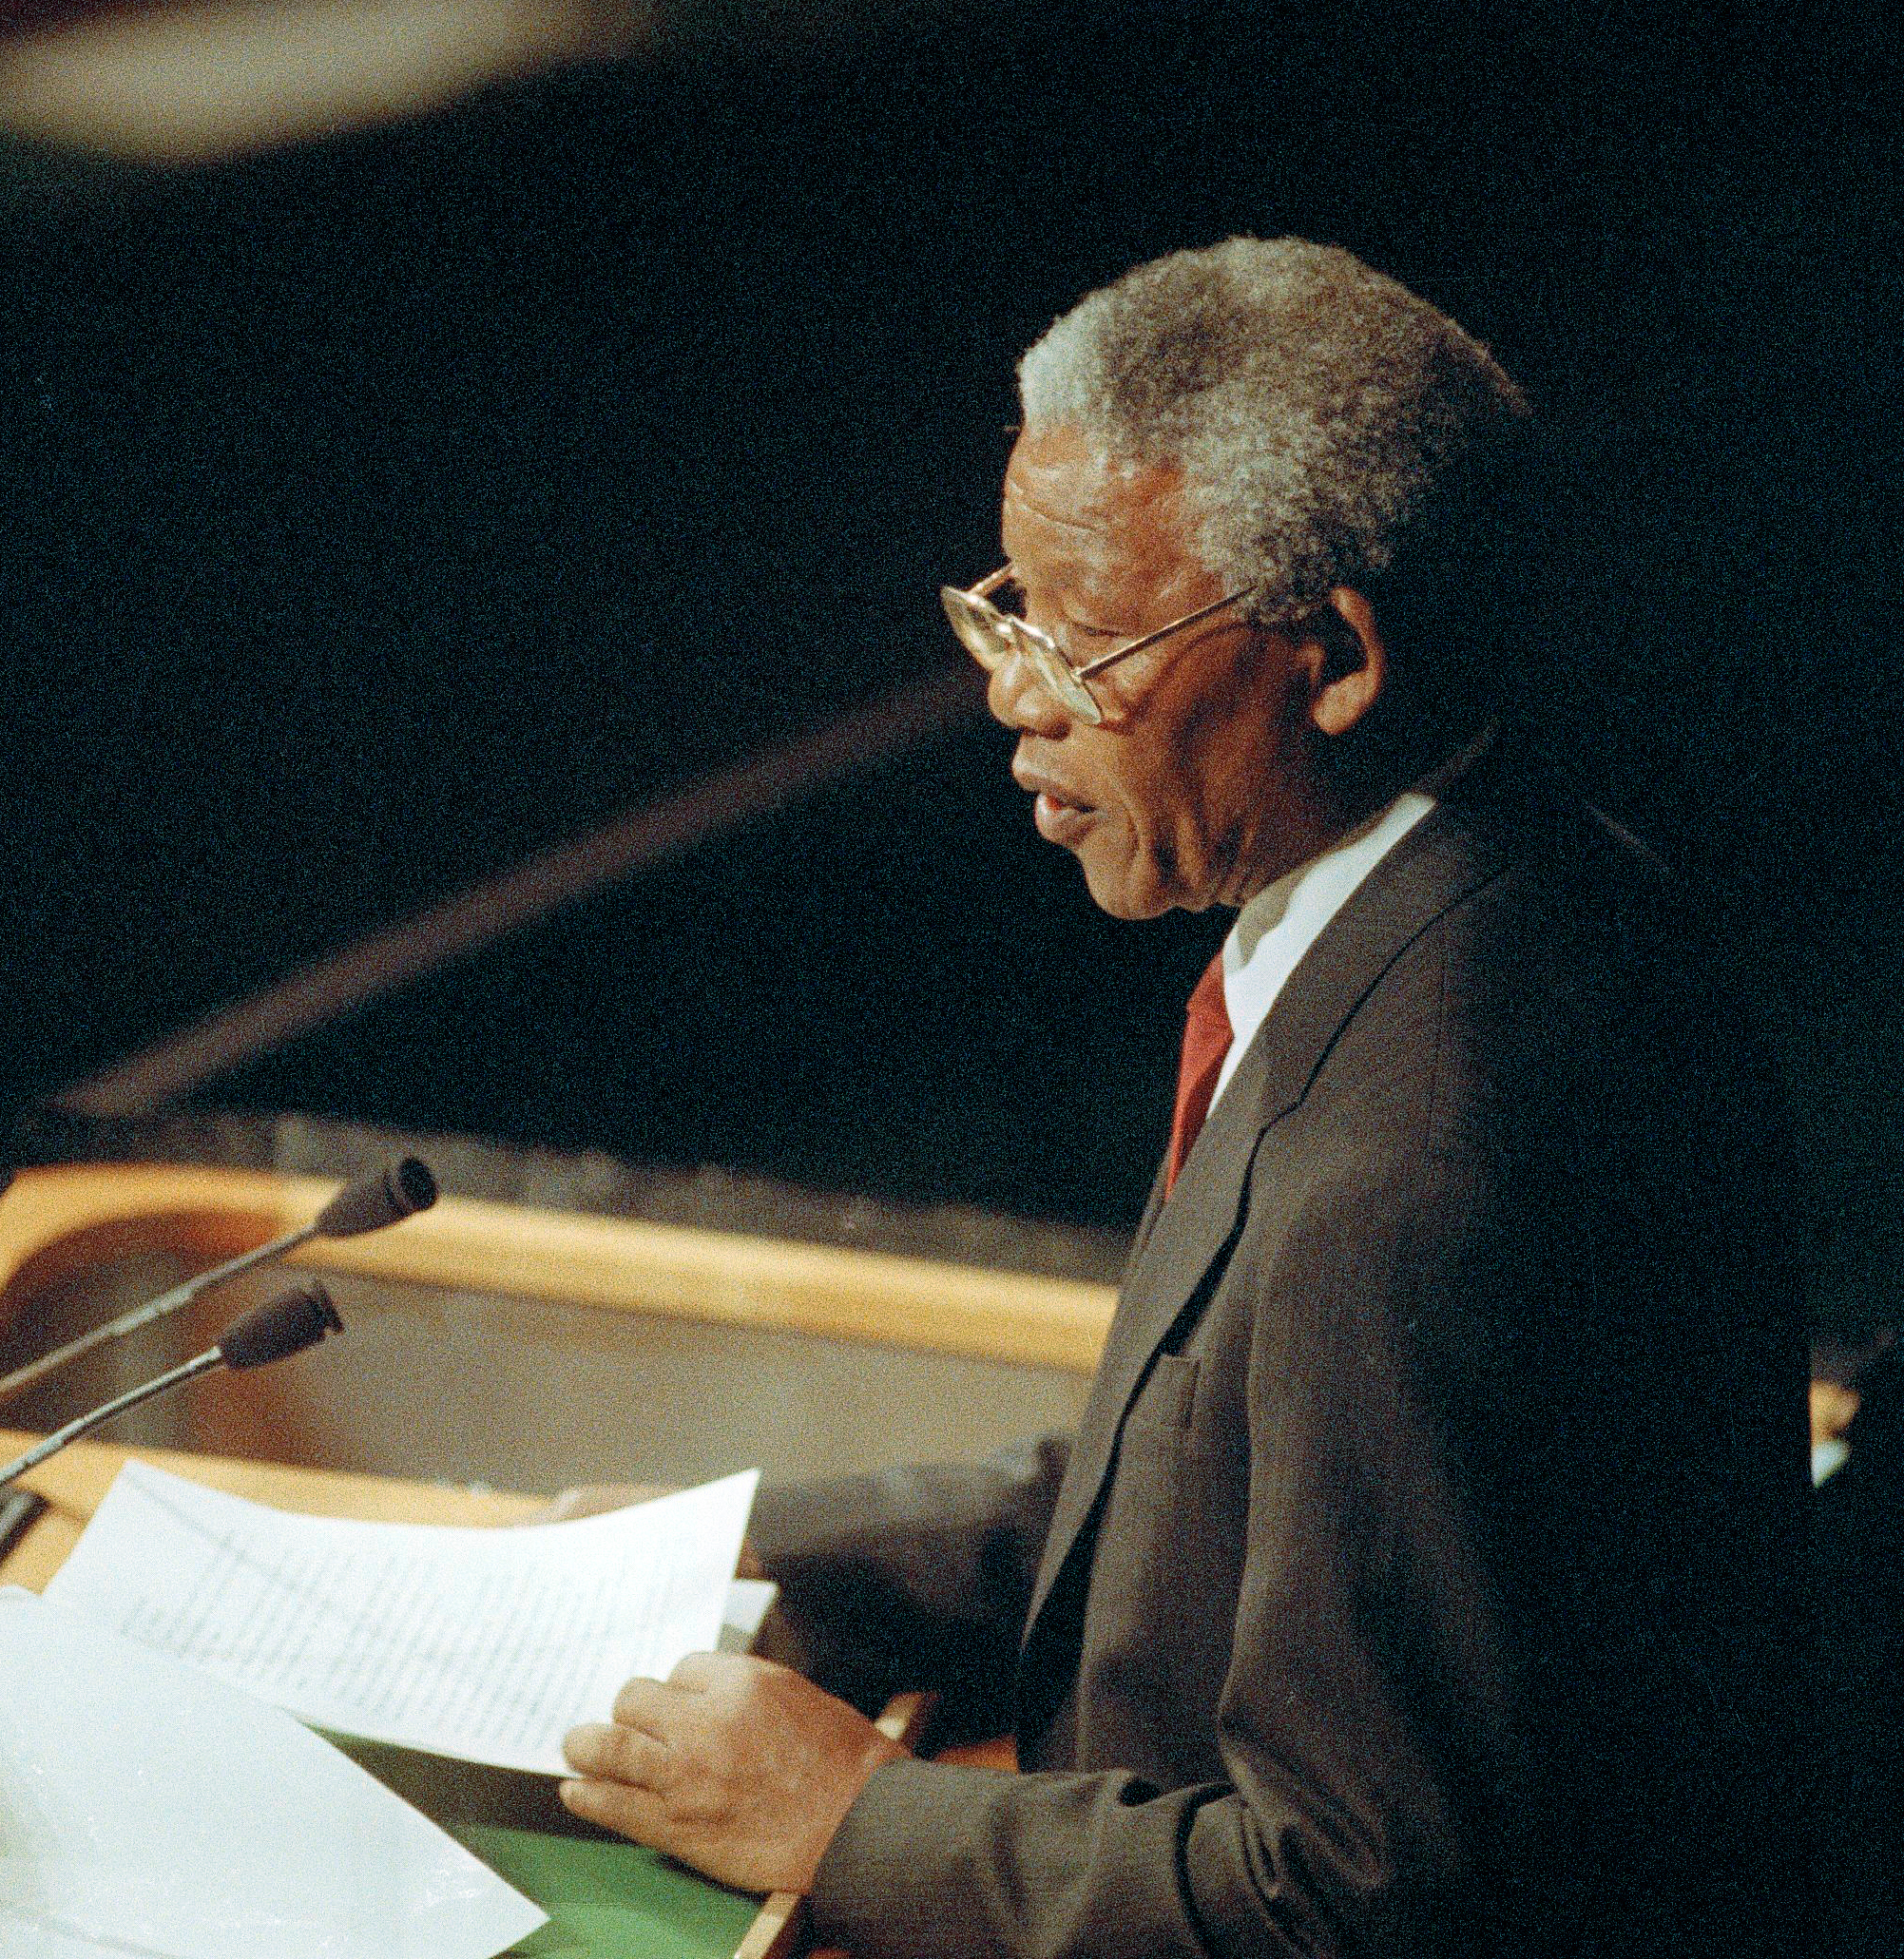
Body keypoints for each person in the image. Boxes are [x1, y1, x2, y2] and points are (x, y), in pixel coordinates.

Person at [554, 238, 1803, 1958]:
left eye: (1082, 646)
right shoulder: (1508, 889)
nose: (1009, 701)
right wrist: (752, 1550)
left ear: (1335, 659)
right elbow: (1221, 1469)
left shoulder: (1410, 1168)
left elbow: (1355, 1904)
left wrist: (848, 1818)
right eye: (1007, 609)